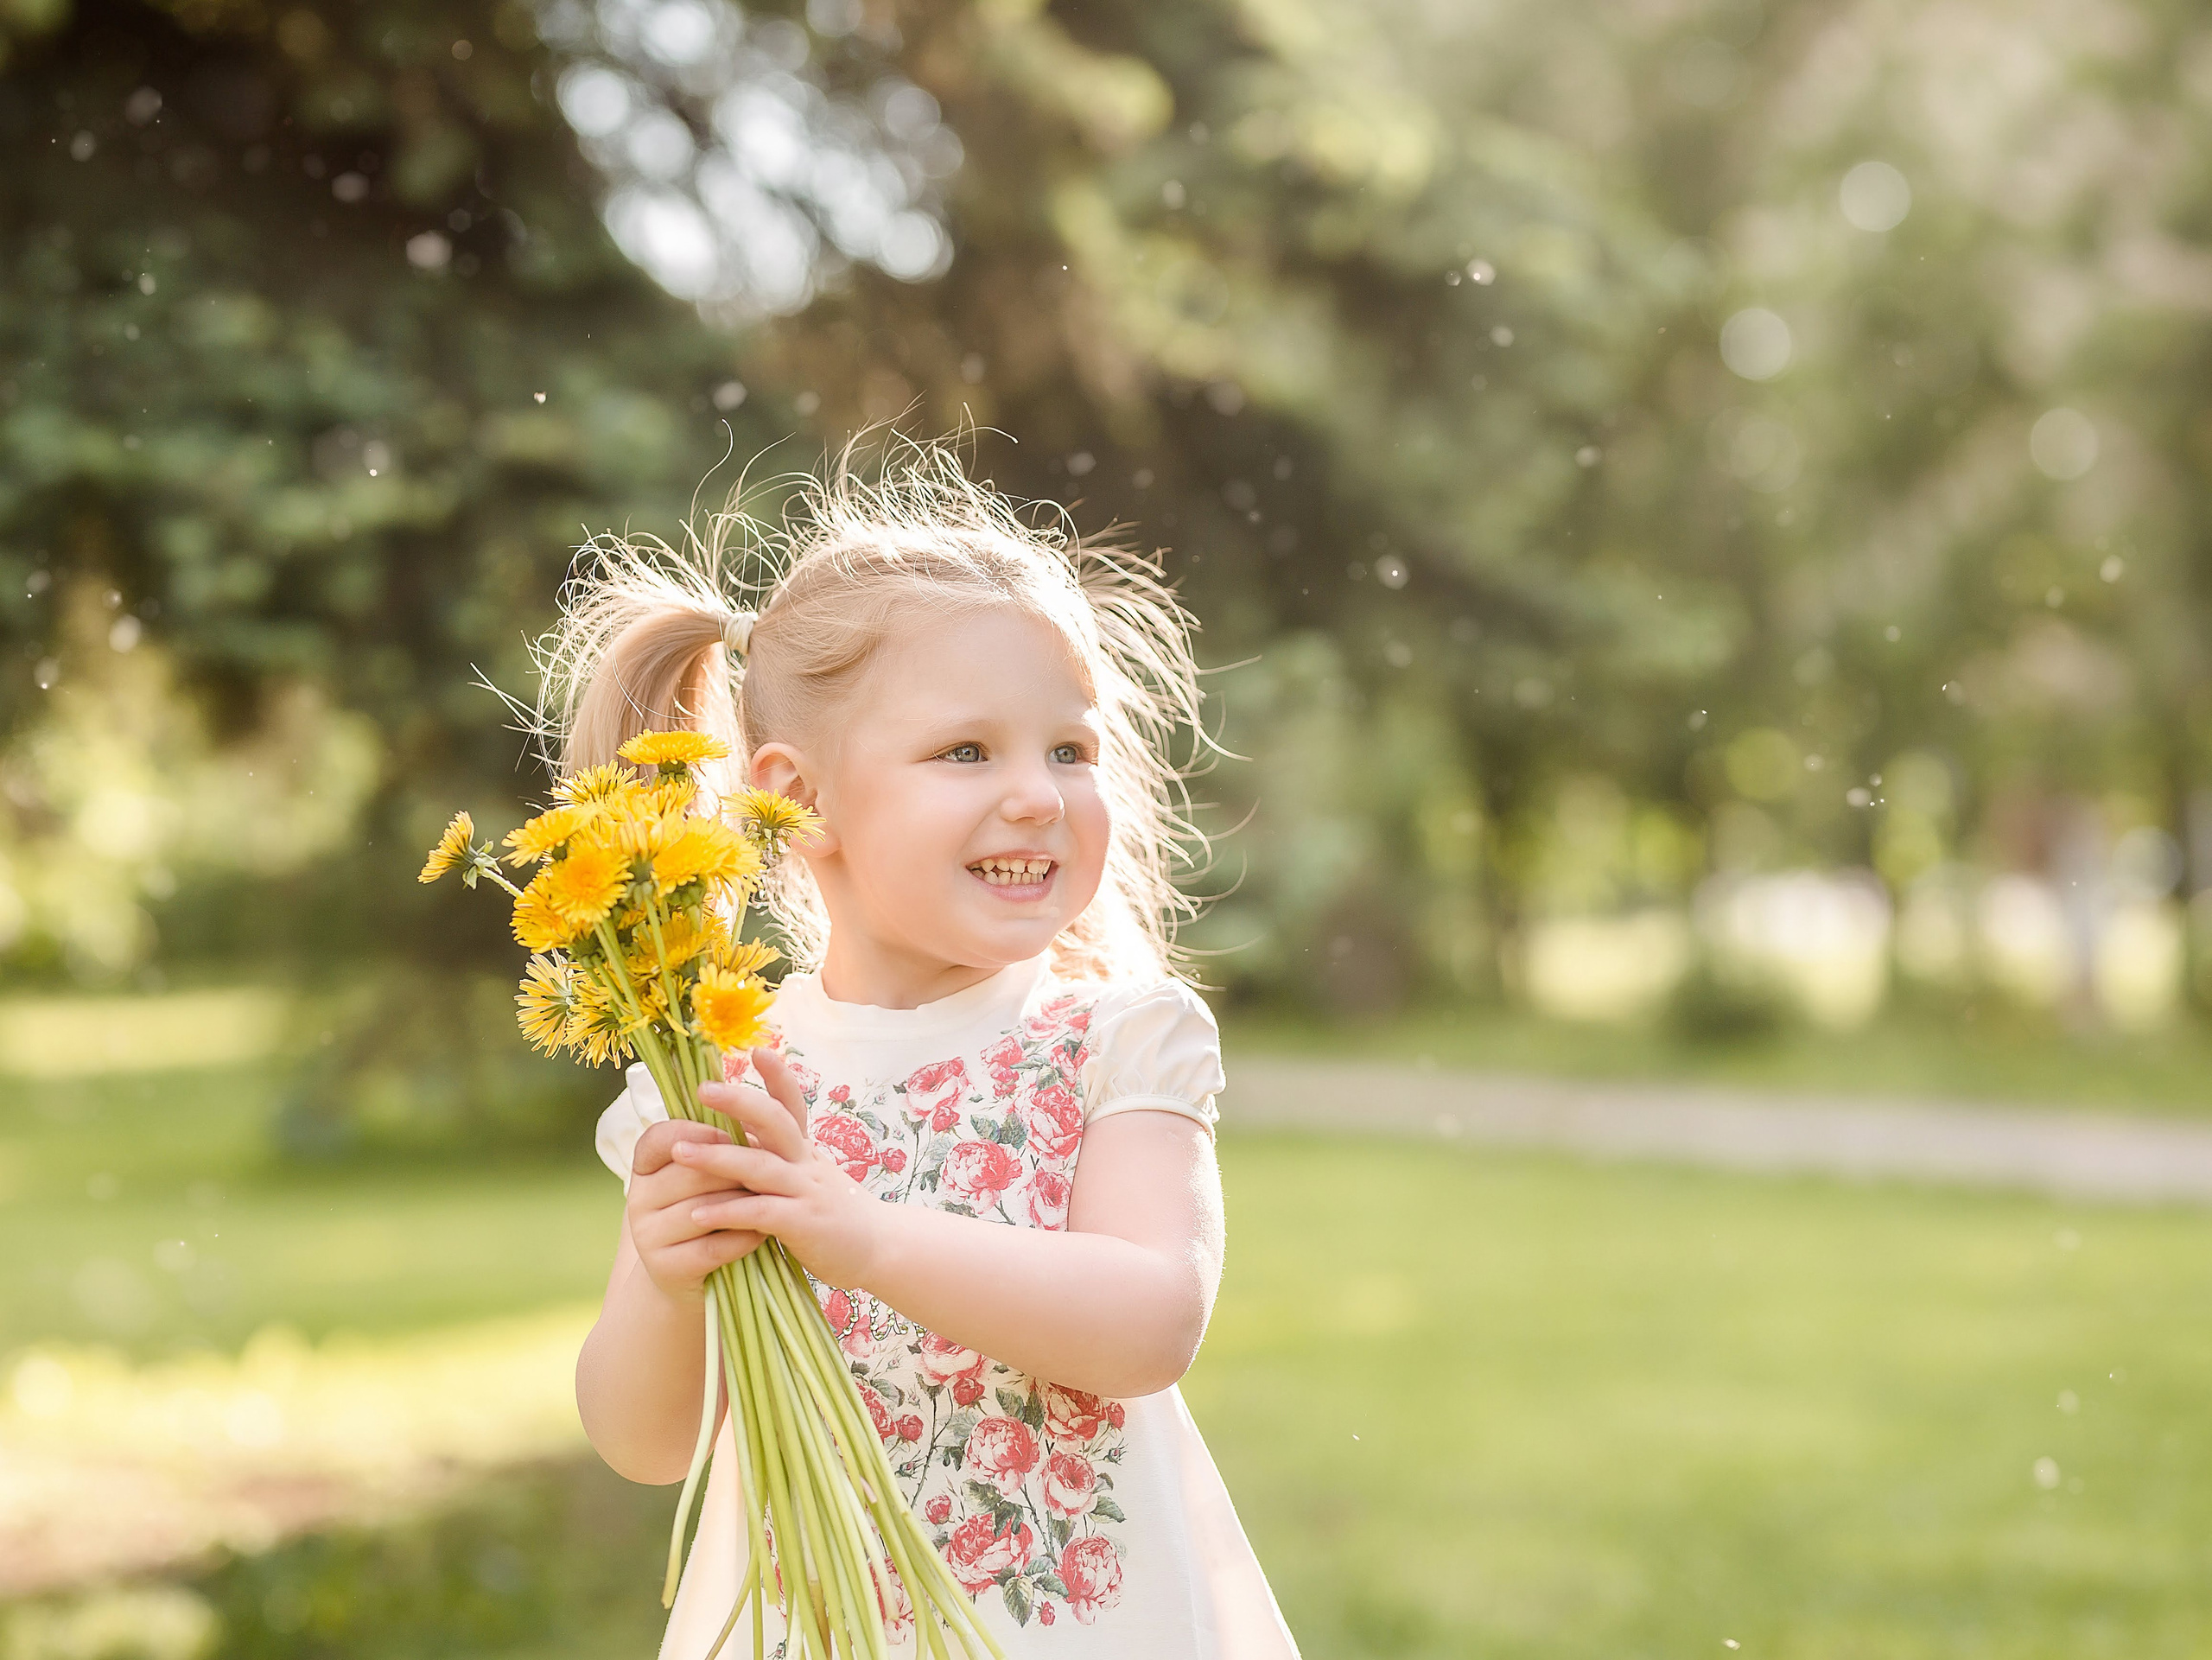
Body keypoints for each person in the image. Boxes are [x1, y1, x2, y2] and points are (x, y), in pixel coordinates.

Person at [556, 445, 1299, 1657]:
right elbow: (646, 1442)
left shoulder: (1111, 1039)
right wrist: (664, 1267)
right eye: (969, 752)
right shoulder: (725, 1075)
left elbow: (1150, 1319)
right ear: (798, 798)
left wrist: (869, 1238)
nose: (1037, 795)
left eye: (1070, 749)